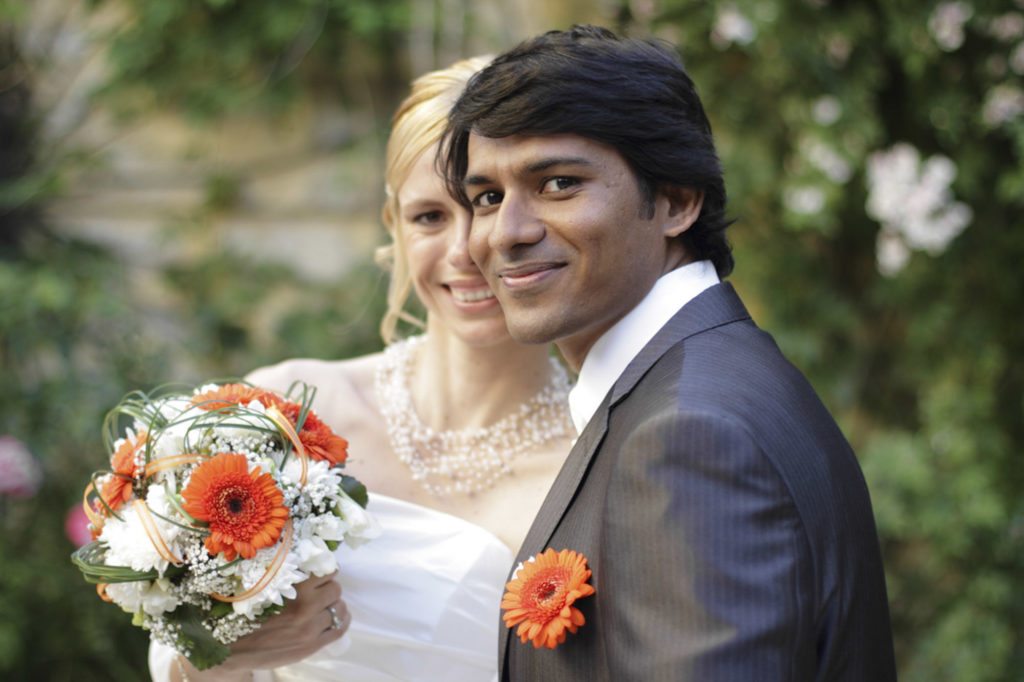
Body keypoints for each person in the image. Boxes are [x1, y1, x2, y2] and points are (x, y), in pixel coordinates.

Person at [441, 25, 897, 680]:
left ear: (678, 201)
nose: (505, 233)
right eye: (487, 197)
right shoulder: (705, 379)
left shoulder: (690, 434)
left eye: (559, 183)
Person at [149, 55, 576, 682]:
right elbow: (176, 659)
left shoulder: (596, 459)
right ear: (394, 229)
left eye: (486, 203)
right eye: (430, 216)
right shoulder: (281, 413)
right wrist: (219, 655)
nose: (465, 251)